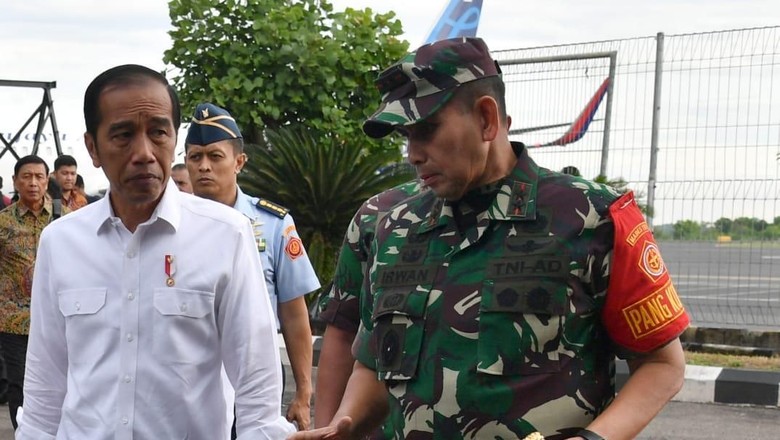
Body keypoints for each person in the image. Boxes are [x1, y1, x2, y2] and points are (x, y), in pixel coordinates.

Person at [292, 37, 689, 440]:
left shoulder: (592, 217)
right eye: (405, 136)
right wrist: (342, 426)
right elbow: (375, 365)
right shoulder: (388, 223)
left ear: (486, 119)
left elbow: (662, 364)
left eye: (426, 131)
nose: (412, 153)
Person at [18, 64, 294, 439]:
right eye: (123, 135)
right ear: (92, 148)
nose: (144, 153)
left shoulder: (226, 235)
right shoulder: (61, 242)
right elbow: (44, 385)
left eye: (159, 133)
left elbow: (256, 383)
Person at [185, 103, 320, 432]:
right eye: (195, 157)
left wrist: (303, 392)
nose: (204, 167)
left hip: (254, 372)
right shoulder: (170, 224)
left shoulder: (272, 224)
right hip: (187, 375)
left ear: (239, 162)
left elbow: (293, 310)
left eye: (215, 157)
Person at [314, 179, 421, 433]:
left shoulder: (535, 214)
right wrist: (327, 430)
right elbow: (342, 331)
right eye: (410, 138)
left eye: (429, 136)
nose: (414, 154)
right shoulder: (379, 215)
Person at [0, 155, 65, 429]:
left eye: (39, 176)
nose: (33, 183)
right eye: (26, 176)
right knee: (20, 383)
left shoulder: (66, 220)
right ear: (15, 181)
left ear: (47, 180)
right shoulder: (2, 223)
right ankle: (23, 433)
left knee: (58, 381)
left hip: (57, 317)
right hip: (15, 320)